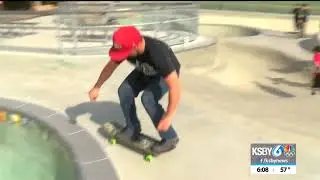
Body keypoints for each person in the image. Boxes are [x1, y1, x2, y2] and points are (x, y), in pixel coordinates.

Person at [88, 26, 181, 154]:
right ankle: (132, 128)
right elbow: (110, 67)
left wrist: (168, 116)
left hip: (163, 75)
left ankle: (170, 137)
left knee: (148, 99)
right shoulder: (127, 46)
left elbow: (175, 86)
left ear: (135, 46)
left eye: (125, 53)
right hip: (144, 70)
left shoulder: (157, 53)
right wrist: (97, 87)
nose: (123, 56)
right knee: (124, 91)